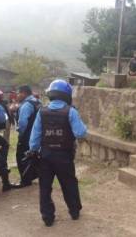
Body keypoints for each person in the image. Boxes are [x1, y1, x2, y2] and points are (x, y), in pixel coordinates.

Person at [29, 79, 87, 227]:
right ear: (67, 95)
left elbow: (34, 138)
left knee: (45, 187)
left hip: (46, 156)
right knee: (69, 184)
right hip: (64, 156)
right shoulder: (71, 111)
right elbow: (80, 133)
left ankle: (47, 217)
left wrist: (34, 151)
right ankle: (74, 211)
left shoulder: (41, 112)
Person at [15, 85, 41, 188]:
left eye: (18, 93)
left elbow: (22, 123)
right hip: (37, 135)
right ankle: (33, 176)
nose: (17, 95)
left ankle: (25, 180)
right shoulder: (38, 102)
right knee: (34, 156)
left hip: (27, 136)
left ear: (24, 93)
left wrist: (20, 135)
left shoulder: (26, 105)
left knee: (21, 157)